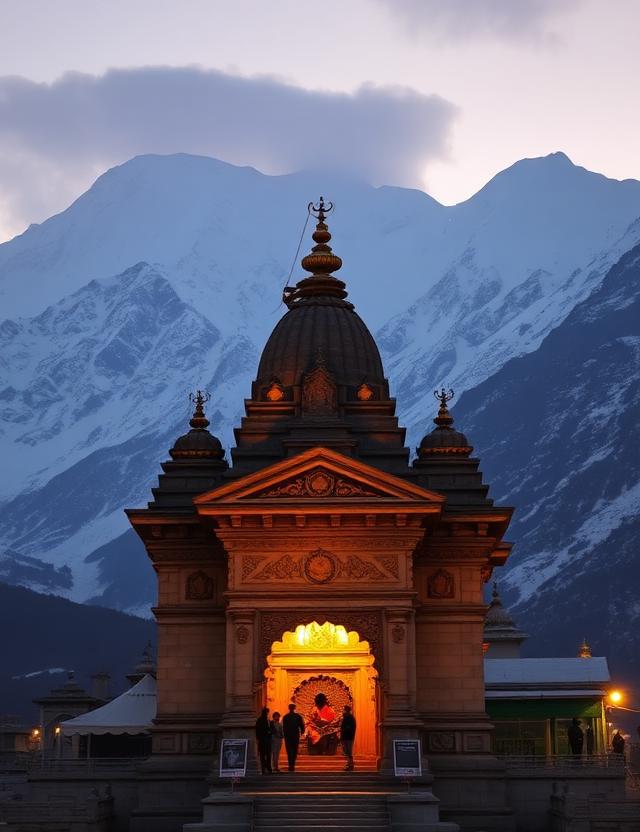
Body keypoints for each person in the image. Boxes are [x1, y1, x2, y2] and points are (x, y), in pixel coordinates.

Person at [282, 703, 305, 771]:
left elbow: (284, 727)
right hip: (295, 735)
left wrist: (284, 734)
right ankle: (292, 765)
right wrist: (302, 732)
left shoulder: (285, 717)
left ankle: (290, 765)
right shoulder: (298, 716)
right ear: (294, 708)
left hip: (288, 736)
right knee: (294, 750)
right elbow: (302, 725)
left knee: (289, 751)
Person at [255, 707, 272, 774]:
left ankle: (265, 768)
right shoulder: (264, 720)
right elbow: (259, 730)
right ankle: (267, 767)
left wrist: (258, 738)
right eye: (267, 712)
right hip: (265, 739)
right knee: (266, 754)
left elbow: (257, 730)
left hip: (263, 739)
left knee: (263, 755)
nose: (268, 714)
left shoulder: (261, 719)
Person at [339, 705, 356, 771]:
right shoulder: (345, 717)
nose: (342, 711)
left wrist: (344, 731)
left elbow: (350, 728)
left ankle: (350, 764)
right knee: (347, 752)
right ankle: (349, 764)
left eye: (343, 709)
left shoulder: (350, 718)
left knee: (348, 751)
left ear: (346, 710)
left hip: (348, 737)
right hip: (345, 737)